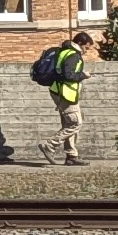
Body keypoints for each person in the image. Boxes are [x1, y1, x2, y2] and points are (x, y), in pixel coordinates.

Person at [29, 33, 89, 163]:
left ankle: (71, 156)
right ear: (79, 43)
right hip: (66, 93)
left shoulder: (64, 52)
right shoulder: (73, 55)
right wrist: (83, 75)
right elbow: (69, 75)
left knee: (68, 123)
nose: (86, 50)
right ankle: (50, 145)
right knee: (75, 123)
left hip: (59, 91)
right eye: (86, 47)